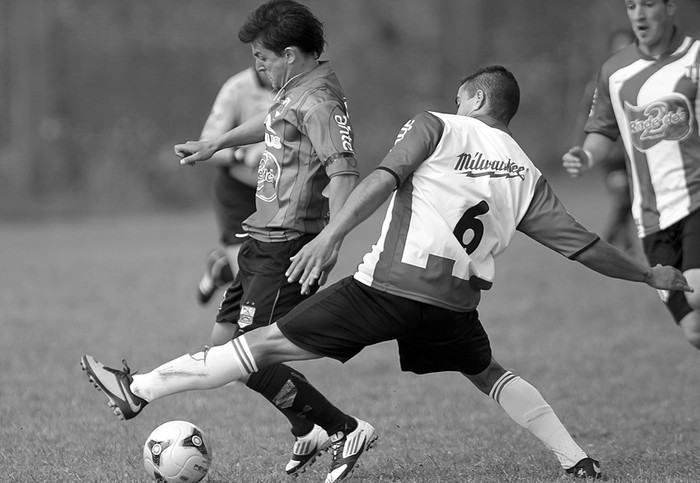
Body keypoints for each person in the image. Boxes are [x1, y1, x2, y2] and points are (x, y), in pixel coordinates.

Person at [81, 65, 693, 481]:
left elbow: (382, 179)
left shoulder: (438, 125)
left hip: (387, 289)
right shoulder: (527, 173)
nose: (458, 104)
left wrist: (330, 236)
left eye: (463, 97)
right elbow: (582, 246)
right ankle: (576, 460)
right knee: (488, 374)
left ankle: (139, 391)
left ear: (476, 100)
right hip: (454, 307)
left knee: (254, 347)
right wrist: (647, 277)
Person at [105, 1, 364, 477]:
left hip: (288, 244)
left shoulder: (320, 100)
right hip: (259, 238)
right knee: (226, 343)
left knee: (247, 355)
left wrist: (330, 240)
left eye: (261, 57)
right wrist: (216, 144)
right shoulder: (294, 88)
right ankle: (307, 430)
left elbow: (344, 170)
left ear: (289, 53)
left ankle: (344, 428)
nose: (257, 65)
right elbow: (271, 126)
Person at [562, 0, 700, 351]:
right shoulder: (614, 71)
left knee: (697, 291)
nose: (639, 14)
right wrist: (586, 155)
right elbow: (602, 130)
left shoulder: (695, 58)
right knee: (693, 329)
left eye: (648, 4)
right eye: (631, 5)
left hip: (696, 199)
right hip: (651, 217)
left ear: (669, 8)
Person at [195, 66, 272, 308]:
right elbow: (206, 146)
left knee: (274, 270)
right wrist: (242, 155)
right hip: (238, 190)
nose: (266, 63)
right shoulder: (236, 89)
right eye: (260, 54)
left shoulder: (300, 87)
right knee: (251, 285)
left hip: (279, 192)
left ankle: (221, 269)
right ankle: (239, 340)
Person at [571, 29, 636, 252]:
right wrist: (580, 147)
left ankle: (623, 240)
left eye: (627, 46)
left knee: (631, 199)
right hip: (610, 153)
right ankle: (607, 240)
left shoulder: (645, 79)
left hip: (637, 153)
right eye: (618, 46)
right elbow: (587, 117)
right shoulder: (601, 82)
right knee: (624, 196)